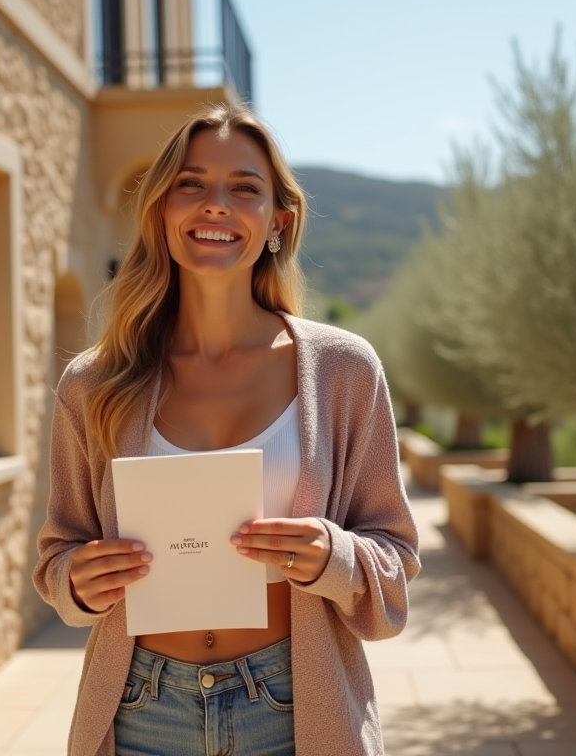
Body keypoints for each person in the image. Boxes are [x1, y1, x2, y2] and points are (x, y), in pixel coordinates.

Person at [34, 103, 420, 756]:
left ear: (278, 221)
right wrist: (78, 580)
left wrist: (334, 556)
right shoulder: (92, 384)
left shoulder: (343, 371)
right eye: (192, 184)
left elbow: (395, 560)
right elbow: (58, 556)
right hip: (140, 707)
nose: (216, 205)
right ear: (160, 210)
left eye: (243, 188)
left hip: (293, 705)